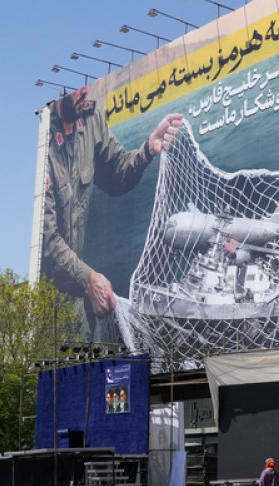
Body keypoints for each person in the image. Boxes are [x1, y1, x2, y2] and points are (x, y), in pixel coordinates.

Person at [41, 87, 182, 338]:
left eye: (87, 83)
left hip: (74, 302)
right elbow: (46, 240)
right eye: (78, 86)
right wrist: (89, 280)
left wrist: (148, 149)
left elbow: (117, 174)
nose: (86, 90)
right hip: (42, 304)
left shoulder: (91, 121)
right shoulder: (43, 141)